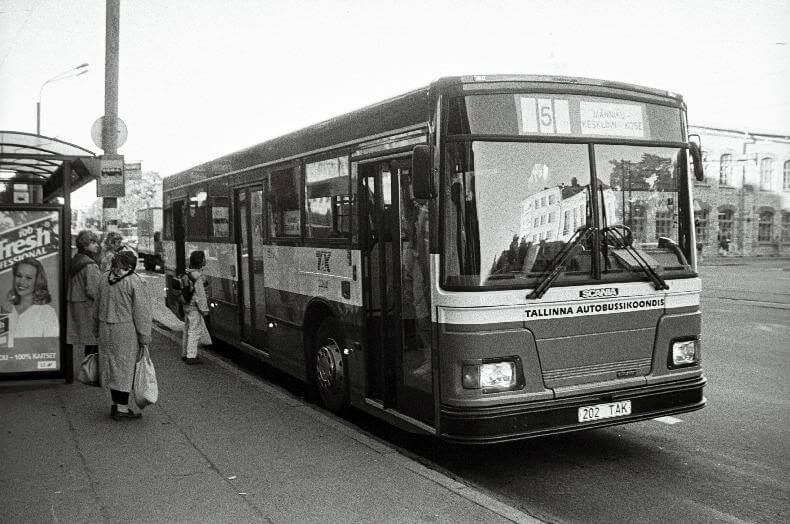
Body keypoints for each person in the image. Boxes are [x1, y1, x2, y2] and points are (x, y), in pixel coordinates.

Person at [94, 251, 152, 420]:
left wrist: (95, 328)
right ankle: (122, 409)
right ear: (132, 266)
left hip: (105, 328)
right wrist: (144, 337)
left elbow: (96, 307)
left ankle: (115, 404)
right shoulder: (134, 281)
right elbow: (141, 312)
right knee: (125, 369)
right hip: (125, 330)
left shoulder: (104, 278)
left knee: (112, 368)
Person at [1, 257, 59, 345]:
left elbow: (51, 348)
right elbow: (2, 346)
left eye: (28, 278)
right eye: (19, 276)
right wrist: (4, 317)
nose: (21, 281)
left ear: (38, 281)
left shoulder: (47, 313)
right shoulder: (5, 310)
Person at [67, 231, 101, 359]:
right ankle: (90, 372)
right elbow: (94, 290)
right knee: (93, 342)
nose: (96, 245)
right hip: (87, 307)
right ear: (85, 246)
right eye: (93, 243)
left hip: (75, 302)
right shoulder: (90, 264)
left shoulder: (76, 260)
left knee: (87, 342)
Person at [181, 250, 211, 364]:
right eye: (204, 258)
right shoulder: (197, 276)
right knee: (195, 331)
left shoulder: (188, 272)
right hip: (194, 307)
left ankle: (185, 353)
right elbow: (200, 295)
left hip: (187, 305)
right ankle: (191, 356)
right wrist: (204, 310)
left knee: (188, 330)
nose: (205, 260)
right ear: (200, 261)